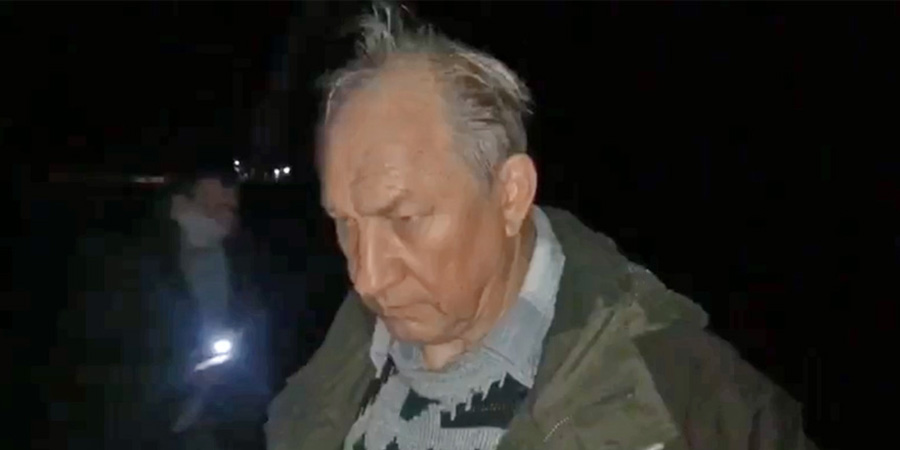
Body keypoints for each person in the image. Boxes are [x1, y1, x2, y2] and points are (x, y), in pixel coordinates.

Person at [266, 4, 819, 450]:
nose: (366, 278)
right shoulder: (330, 377)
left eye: (405, 219)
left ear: (510, 195)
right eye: (345, 223)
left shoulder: (690, 399)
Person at [100, 168, 272, 449]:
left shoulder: (243, 259)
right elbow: (113, 357)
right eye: (215, 207)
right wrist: (181, 374)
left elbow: (257, 333)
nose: (227, 215)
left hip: (219, 422)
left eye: (231, 207)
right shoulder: (135, 266)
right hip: (154, 425)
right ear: (181, 202)